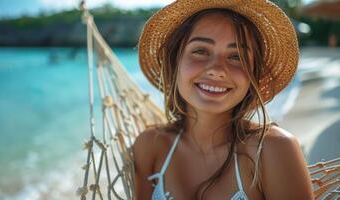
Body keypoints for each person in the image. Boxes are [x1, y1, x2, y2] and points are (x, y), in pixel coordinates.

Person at [133, 0, 314, 199]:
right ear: (175, 62)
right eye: (200, 51)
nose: (217, 70)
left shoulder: (273, 149)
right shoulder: (151, 145)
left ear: (252, 74)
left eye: (236, 56)